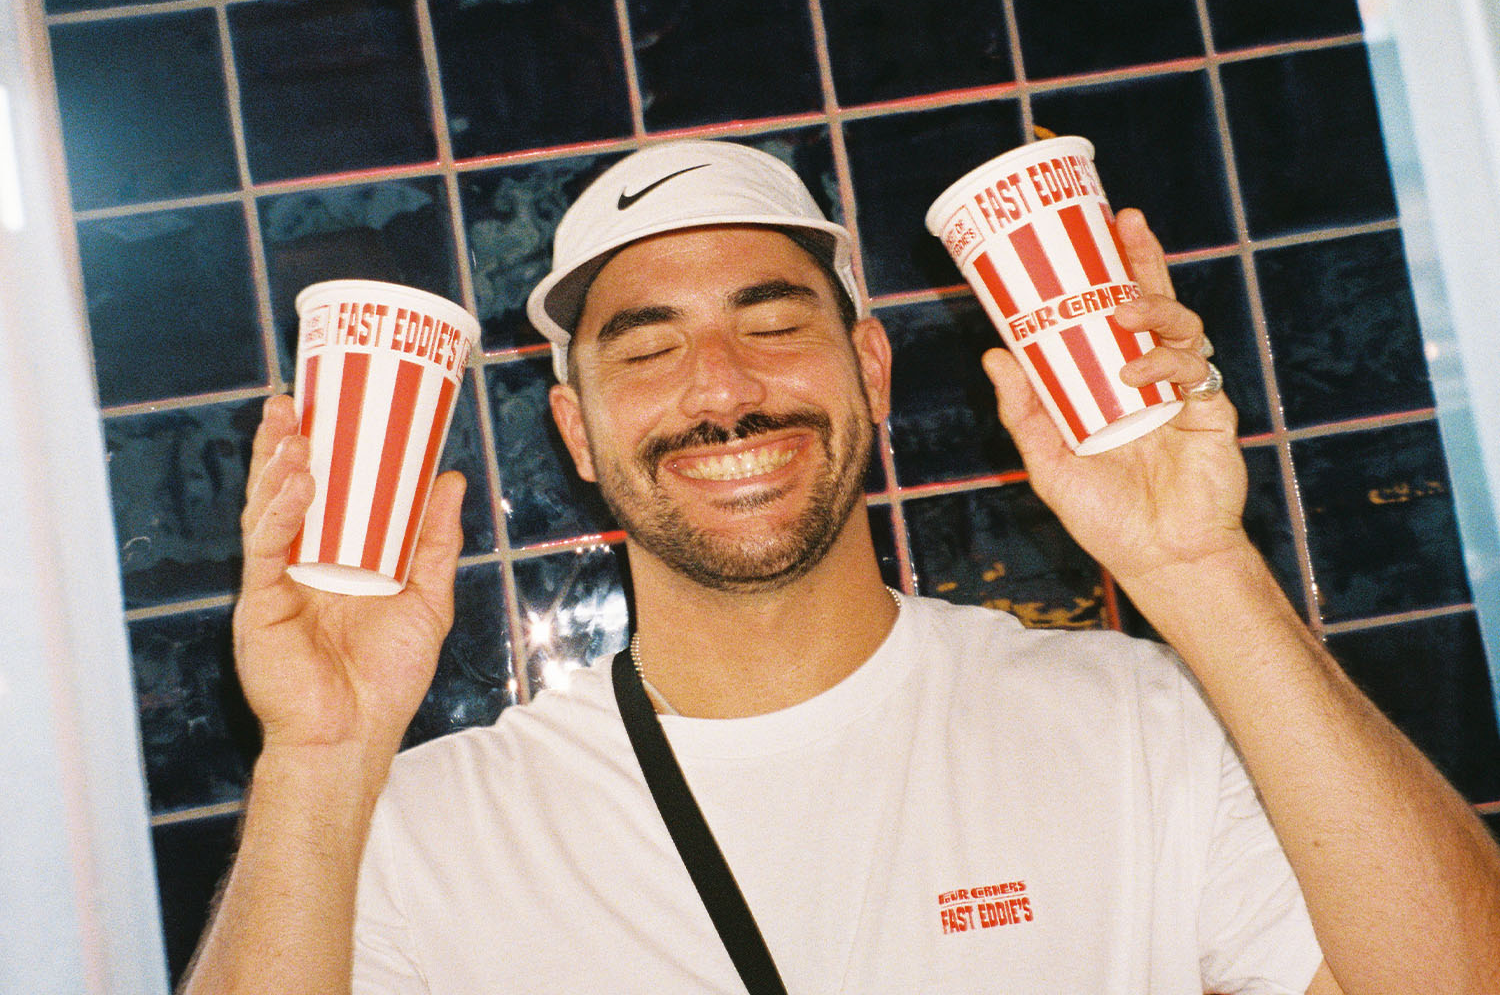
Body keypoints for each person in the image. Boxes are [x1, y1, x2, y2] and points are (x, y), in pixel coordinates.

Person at [182, 140, 1500, 994]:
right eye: (645, 350)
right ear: (579, 432)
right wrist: (321, 756)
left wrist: (1200, 561)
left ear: (868, 370)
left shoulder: (1140, 722)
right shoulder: (421, 828)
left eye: (774, 323)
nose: (723, 389)